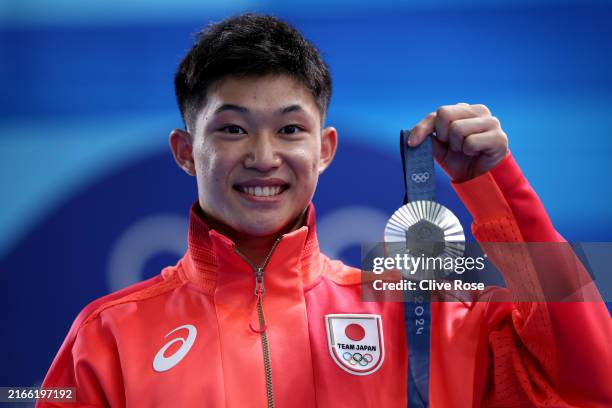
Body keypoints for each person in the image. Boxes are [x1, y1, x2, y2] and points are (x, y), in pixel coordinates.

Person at [39, 13, 610, 408]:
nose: (264, 157)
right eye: (233, 129)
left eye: (290, 129)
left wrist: (497, 189)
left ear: (325, 149)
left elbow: (591, 380)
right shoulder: (107, 335)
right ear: (187, 152)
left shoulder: (427, 317)